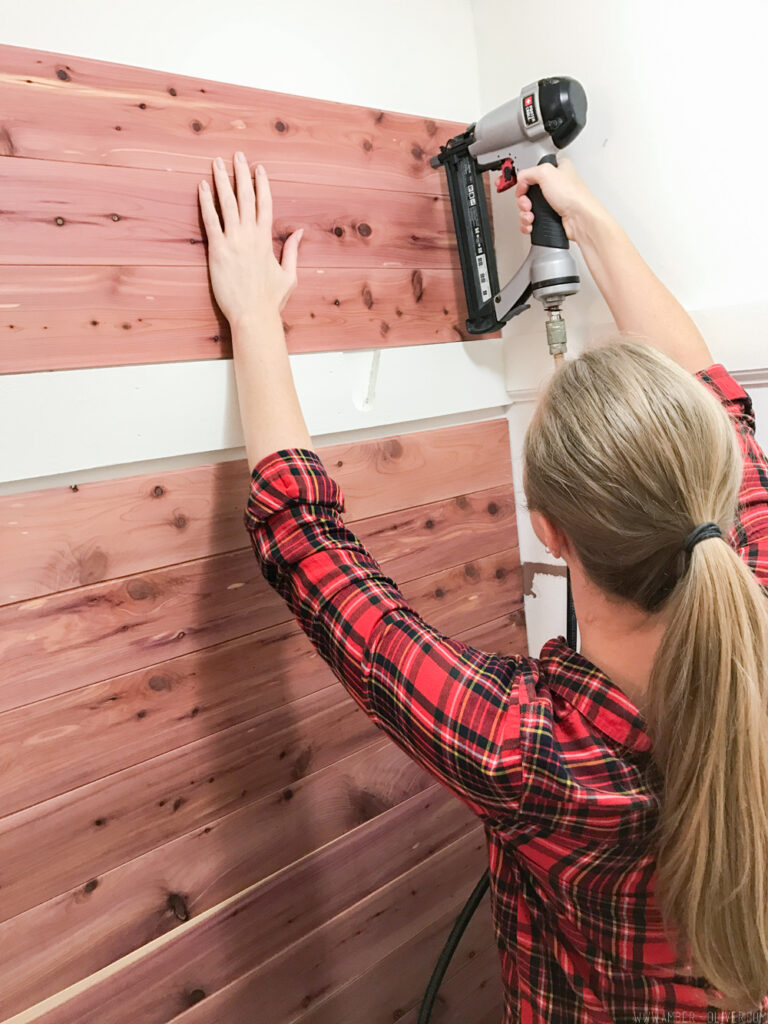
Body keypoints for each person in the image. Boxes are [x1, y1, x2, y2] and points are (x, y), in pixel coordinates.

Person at [197, 152, 768, 1023]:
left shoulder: (530, 754)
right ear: (720, 491)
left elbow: (304, 543)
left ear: (549, 529)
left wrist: (252, 313)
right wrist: (594, 222)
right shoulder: (751, 575)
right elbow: (718, 406)